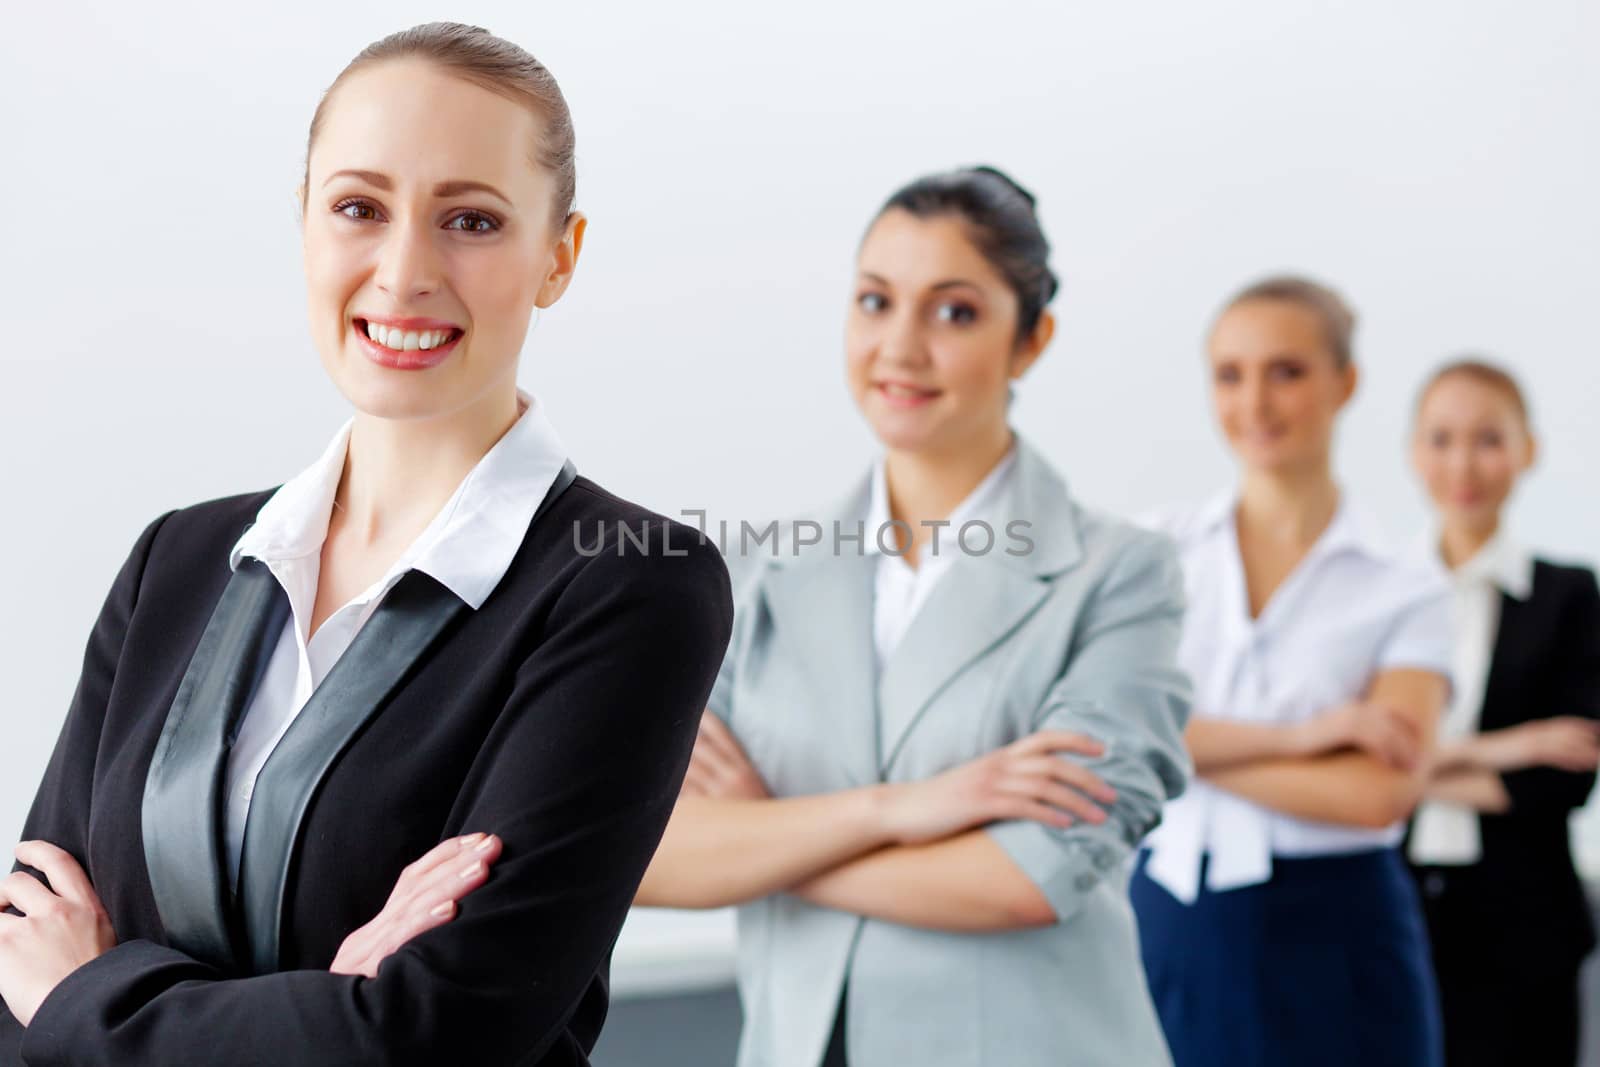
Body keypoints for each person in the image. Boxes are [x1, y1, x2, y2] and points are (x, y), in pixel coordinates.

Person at [0, 22, 733, 1066]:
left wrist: (90, 996)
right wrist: (329, 1002)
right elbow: (15, 968)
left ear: (557, 258)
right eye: (358, 208)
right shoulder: (178, 560)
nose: (403, 272)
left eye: (471, 221)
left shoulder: (628, 583)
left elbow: (435, 1036)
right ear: (304, 222)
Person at [633, 165, 1194, 1067]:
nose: (900, 345)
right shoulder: (764, 577)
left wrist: (773, 836)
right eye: (874, 301)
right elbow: (648, 858)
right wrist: (912, 809)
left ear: (1032, 340)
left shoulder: (1120, 575)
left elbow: (1027, 878)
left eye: (955, 311)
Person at [1128, 275, 1454, 1067]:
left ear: (1345, 382)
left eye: (1287, 371)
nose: (1256, 402)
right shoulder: (1151, 553)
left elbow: (1380, 792)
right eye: (1230, 374)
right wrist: (1314, 737)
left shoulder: (1406, 583)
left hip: (1338, 935)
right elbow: (1104, 729)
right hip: (1168, 922)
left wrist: (1184, 751)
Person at [1402, 358, 1600, 1067]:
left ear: (1528, 450)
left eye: (1489, 438)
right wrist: (1506, 746)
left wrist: (1404, 768)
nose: (1464, 463)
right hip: (1393, 909)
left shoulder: (1570, 594)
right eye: (1441, 437)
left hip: (1526, 925)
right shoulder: (1378, 592)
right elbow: (1340, 764)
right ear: (1412, 451)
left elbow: (1562, 780)